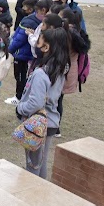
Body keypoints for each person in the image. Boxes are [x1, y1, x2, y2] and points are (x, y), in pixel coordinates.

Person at [16, 28, 69, 178]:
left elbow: (35, 103)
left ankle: (31, 197)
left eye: (38, 41)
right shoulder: (60, 68)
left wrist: (20, 108)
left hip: (37, 125)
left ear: (46, 48)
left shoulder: (41, 73)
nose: (35, 44)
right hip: (51, 121)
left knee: (33, 165)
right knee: (41, 163)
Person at [57, 8, 91, 137]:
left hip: (62, 69)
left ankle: (54, 127)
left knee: (55, 100)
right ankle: (56, 127)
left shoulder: (66, 34)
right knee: (59, 99)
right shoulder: (79, 33)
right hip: (72, 69)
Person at [5, 0, 43, 106]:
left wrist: (10, 50)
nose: (23, 9)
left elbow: (19, 39)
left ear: (31, 9)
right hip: (27, 53)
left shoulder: (28, 21)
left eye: (25, 7)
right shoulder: (34, 20)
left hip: (22, 54)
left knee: (20, 75)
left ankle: (19, 97)